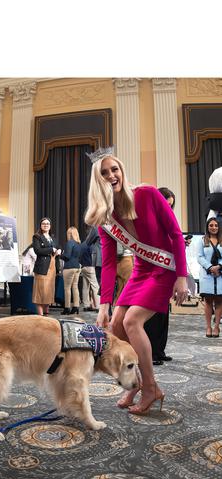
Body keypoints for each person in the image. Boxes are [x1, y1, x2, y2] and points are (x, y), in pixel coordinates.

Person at [85, 151, 187, 416]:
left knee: (132, 321)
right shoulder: (105, 218)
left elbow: (176, 234)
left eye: (114, 169)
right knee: (116, 325)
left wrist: (182, 277)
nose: (111, 176)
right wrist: (104, 304)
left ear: (122, 170)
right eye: (104, 173)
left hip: (164, 269)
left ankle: (151, 387)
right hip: (141, 270)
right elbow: (108, 263)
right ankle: (136, 383)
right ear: (98, 181)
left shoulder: (148, 194)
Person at [145, 187, 178, 364]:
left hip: (167, 272)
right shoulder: (149, 221)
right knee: (152, 317)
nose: (168, 208)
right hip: (152, 273)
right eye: (166, 204)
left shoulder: (169, 221)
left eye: (171, 205)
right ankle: (151, 353)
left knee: (164, 314)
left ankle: (160, 350)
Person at [196, 216, 222, 338]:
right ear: (207, 227)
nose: (214, 227)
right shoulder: (202, 240)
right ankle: (208, 327)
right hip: (207, 275)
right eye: (211, 225)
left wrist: (219, 266)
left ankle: (217, 326)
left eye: (216, 225)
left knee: (219, 301)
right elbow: (199, 257)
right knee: (208, 301)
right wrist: (211, 267)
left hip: (220, 275)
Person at [31, 218, 60, 316]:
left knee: (49, 291)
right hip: (42, 268)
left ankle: (46, 313)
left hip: (52, 267)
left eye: (48, 223)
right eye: (43, 223)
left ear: (50, 226)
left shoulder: (53, 238)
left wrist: (58, 251)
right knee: (40, 292)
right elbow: (37, 250)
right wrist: (51, 249)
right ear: (40, 225)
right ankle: (41, 316)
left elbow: (57, 248)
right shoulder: (37, 236)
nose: (46, 225)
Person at [59, 226, 83, 315]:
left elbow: (67, 256)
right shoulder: (79, 244)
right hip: (77, 267)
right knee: (75, 287)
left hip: (69, 267)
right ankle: (76, 307)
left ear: (69, 234)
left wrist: (60, 254)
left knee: (67, 288)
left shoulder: (70, 242)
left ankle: (67, 308)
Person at [79, 226, 100, 312]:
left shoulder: (82, 244)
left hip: (83, 267)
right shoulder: (92, 244)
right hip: (91, 267)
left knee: (85, 287)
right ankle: (98, 306)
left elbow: (79, 257)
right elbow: (93, 256)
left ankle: (86, 305)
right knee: (95, 287)